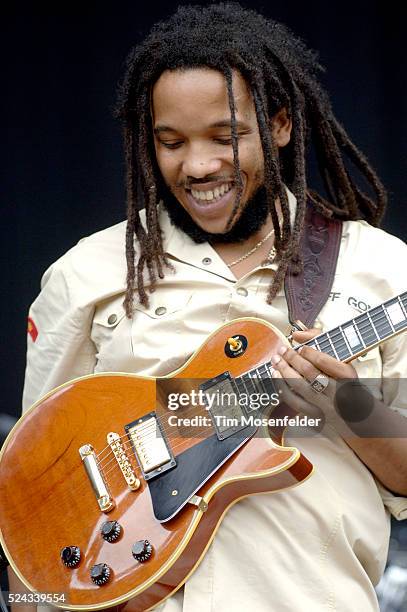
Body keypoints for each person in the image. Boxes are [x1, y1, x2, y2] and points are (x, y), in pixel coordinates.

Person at [8, 3, 407, 611]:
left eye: (225, 137)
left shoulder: (381, 269)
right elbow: (28, 487)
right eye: (171, 143)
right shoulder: (86, 273)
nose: (197, 166)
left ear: (278, 126)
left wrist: (348, 405)